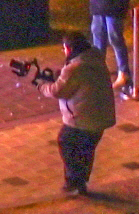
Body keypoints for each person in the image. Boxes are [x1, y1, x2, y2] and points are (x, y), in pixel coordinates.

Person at [45, 29, 116, 196]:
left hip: (83, 119)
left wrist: (42, 86)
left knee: (66, 141)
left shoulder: (75, 68)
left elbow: (57, 90)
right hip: (102, 117)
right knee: (86, 149)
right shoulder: (95, 58)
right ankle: (80, 182)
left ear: (69, 49)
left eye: (64, 48)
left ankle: (74, 182)